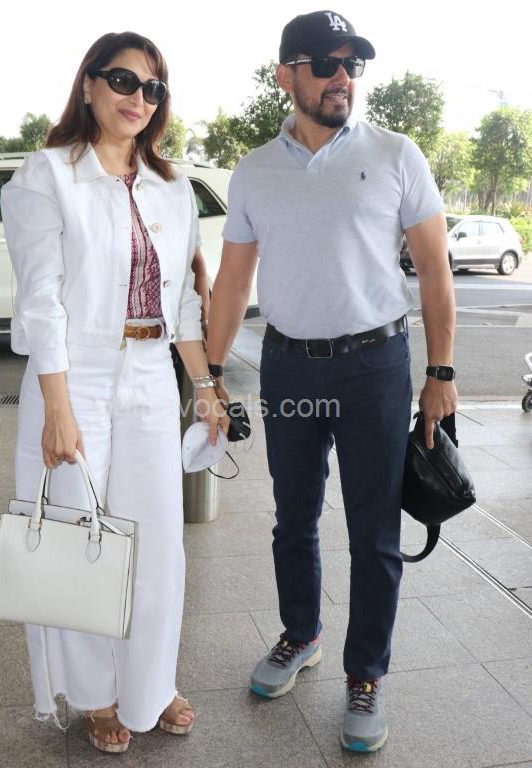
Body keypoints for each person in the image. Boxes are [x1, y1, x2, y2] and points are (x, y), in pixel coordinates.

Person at [206, 10, 457, 753]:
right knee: (293, 517)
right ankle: (301, 632)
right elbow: (231, 284)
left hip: (375, 368)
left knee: (375, 530)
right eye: (325, 63)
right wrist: (209, 375)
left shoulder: (396, 154)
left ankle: (366, 673)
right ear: (285, 75)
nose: (342, 77)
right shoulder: (254, 170)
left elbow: (435, 270)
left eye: (352, 64)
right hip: (288, 367)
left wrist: (440, 372)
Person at [1, 31, 227, 754]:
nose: (139, 98)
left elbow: (182, 302)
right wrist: (58, 409)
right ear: (90, 85)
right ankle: (95, 694)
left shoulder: (171, 187)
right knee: (80, 541)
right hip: (77, 376)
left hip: (151, 374)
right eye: (124, 81)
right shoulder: (48, 175)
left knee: (158, 545)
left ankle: (150, 686)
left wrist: (205, 387)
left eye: (153, 88)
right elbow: (41, 301)